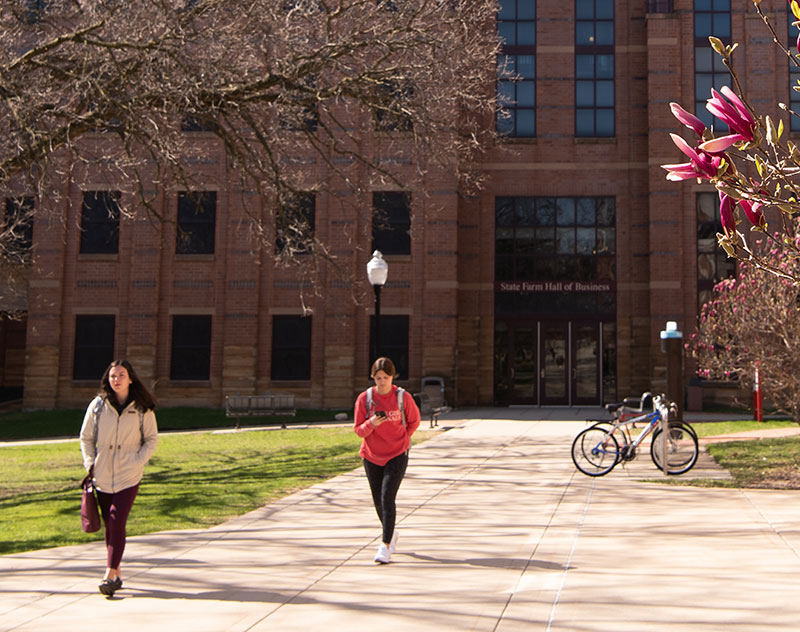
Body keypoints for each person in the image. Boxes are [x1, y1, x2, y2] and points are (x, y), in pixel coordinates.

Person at [79, 359, 158, 597]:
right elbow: (85, 438)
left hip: (128, 475)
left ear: (130, 378)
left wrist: (138, 460)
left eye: (121, 375)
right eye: (113, 376)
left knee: (116, 520)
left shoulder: (142, 407)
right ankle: (118, 572)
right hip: (102, 475)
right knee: (109, 526)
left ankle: (109, 574)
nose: (117, 380)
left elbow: (152, 439)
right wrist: (90, 462)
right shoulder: (97, 406)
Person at [353, 357, 420, 564]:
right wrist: (371, 423)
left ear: (393, 377)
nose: (382, 382)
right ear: (373, 377)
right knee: (377, 501)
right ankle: (391, 533)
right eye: (378, 378)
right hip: (372, 455)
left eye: (386, 377)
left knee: (386, 497)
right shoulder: (365, 399)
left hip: (397, 454)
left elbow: (414, 421)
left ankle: (385, 546)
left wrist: (403, 438)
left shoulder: (402, 397)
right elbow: (358, 430)